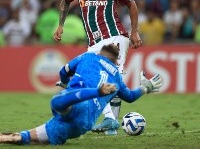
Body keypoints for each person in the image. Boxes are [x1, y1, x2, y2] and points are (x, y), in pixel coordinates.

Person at [0, 44, 162, 145]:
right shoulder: (118, 78)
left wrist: (64, 82)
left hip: (76, 104)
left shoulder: (89, 56)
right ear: (117, 61)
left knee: (57, 102)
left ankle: (92, 92)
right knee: (30, 137)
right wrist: (145, 88)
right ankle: (7, 138)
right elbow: (130, 97)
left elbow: (63, 71)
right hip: (83, 125)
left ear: (100, 53)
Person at [53, 0, 142, 135]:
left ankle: (110, 120)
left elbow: (132, 4)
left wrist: (135, 31)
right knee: (98, 81)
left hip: (115, 37)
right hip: (93, 42)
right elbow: (65, 1)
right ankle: (111, 123)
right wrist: (60, 25)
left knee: (109, 78)